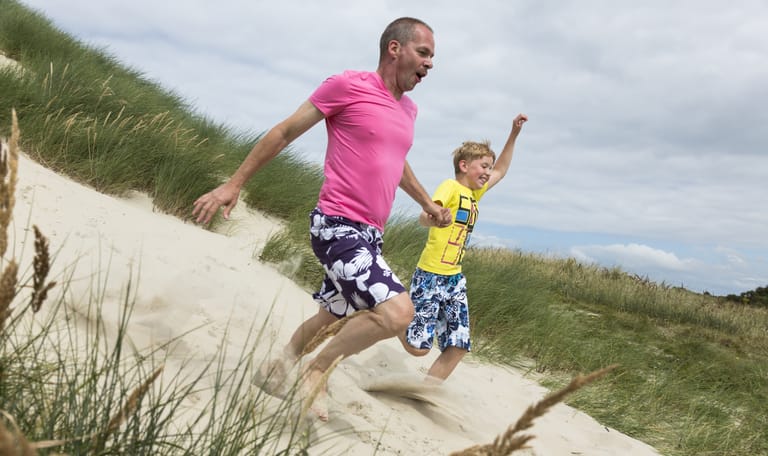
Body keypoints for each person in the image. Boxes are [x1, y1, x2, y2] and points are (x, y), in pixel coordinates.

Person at [192, 17, 451, 421]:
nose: (430, 63)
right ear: (395, 49)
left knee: (330, 317)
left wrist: (428, 204)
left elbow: (395, 162)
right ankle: (317, 370)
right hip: (337, 225)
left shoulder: (409, 110)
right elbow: (284, 132)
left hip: (371, 234)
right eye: (424, 53)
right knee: (398, 313)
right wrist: (234, 183)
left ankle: (273, 371)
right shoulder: (348, 86)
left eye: (433, 56)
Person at [399, 114, 528, 383]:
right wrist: (431, 217)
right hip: (431, 275)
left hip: (454, 279)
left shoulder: (475, 194)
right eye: (483, 166)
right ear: (464, 165)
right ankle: (391, 317)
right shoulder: (451, 187)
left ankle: (425, 392)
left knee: (458, 345)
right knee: (417, 348)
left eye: (489, 167)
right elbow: (427, 213)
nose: (488, 172)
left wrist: (513, 134)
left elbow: (502, 170)